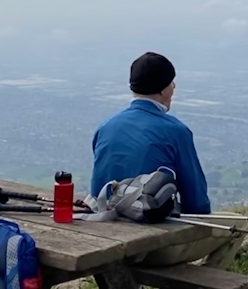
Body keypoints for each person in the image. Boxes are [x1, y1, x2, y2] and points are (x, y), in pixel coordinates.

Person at [89, 52, 211, 214]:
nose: (173, 87)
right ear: (163, 90)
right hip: (151, 222)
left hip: (107, 218)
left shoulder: (105, 127)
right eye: (171, 83)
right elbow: (196, 202)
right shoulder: (176, 131)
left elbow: (97, 189)